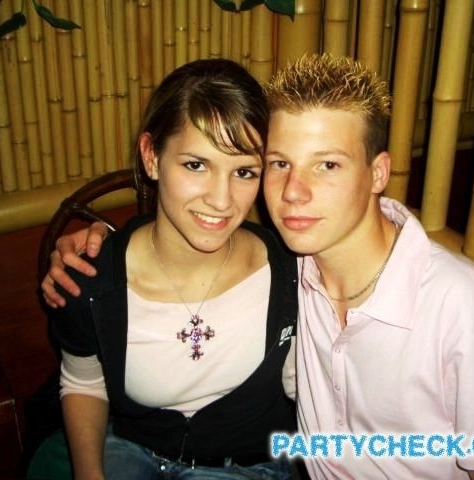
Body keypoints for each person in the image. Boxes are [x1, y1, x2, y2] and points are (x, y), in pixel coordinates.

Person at [42, 54, 474, 480]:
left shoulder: (460, 308)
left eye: (328, 165)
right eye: (279, 164)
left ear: (378, 172)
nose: (294, 192)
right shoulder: (302, 267)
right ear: (152, 157)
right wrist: (98, 242)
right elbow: (85, 370)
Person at [44, 58, 299, 480]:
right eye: (196, 165)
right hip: (130, 451)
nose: (221, 200)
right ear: (152, 156)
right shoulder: (91, 278)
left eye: (243, 171)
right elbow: (84, 382)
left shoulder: (293, 270)